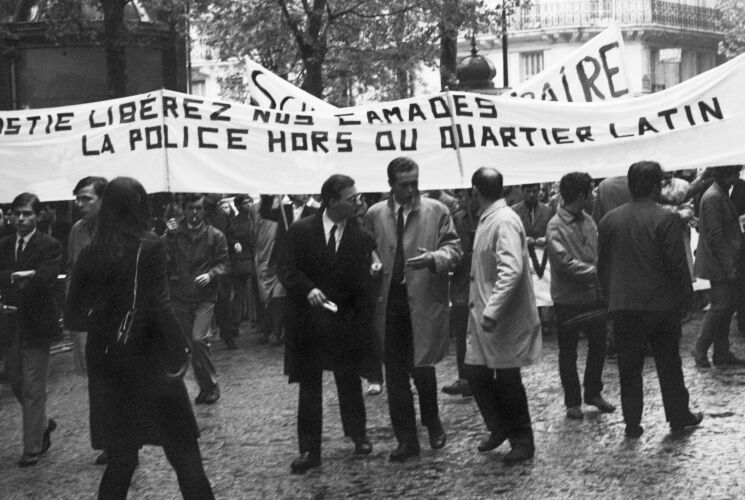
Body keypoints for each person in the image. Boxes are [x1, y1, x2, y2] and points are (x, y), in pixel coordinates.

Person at [65, 177, 214, 500]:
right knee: (183, 449)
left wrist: (107, 319)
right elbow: (160, 305)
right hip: (150, 360)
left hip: (108, 363)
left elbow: (73, 316)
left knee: (121, 456)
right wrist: (181, 350)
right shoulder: (150, 245)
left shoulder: (91, 251)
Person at [277, 175, 377, 474]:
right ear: (332, 201)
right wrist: (308, 289)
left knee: (348, 381)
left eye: (358, 197)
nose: (358, 202)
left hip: (344, 322)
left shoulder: (361, 236)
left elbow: (364, 279)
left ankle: (358, 435)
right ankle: (309, 449)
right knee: (309, 387)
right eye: (352, 198)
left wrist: (373, 271)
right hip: (308, 324)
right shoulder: (300, 230)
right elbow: (286, 268)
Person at [364, 157, 462, 462]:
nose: (411, 190)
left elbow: (455, 249)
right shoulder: (375, 214)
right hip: (389, 302)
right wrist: (371, 262)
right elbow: (366, 247)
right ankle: (406, 439)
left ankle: (432, 421)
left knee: (423, 367)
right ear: (391, 184)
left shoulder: (437, 210)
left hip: (422, 298)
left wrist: (435, 258)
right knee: (394, 374)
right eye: (404, 184)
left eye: (415, 183)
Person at [598, 161, 703, 438]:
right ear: (657, 186)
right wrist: (686, 298)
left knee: (629, 367)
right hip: (660, 305)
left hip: (623, 306)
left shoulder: (609, 220)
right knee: (669, 363)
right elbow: (676, 264)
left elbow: (603, 267)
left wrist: (609, 299)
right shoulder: (665, 218)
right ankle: (678, 415)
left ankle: (632, 422)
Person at [465, 168, 541, 465]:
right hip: (486, 317)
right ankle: (499, 427)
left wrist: (493, 309)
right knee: (475, 373)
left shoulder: (504, 220)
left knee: (508, 379)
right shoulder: (491, 218)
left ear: (474, 191)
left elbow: (511, 270)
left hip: (501, 318)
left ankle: (522, 440)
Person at [546, 172, 615, 420]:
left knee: (598, 345)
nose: (594, 196)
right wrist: (598, 274)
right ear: (581, 195)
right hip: (567, 299)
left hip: (594, 297)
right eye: (591, 192)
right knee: (568, 351)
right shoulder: (555, 225)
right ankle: (572, 401)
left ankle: (593, 392)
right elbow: (564, 263)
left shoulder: (588, 220)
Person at [0, 193, 62, 467]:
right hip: (12, 323)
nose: (20, 219)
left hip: (37, 323)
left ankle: (32, 448)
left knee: (34, 385)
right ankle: (43, 424)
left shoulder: (50, 244)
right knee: (15, 379)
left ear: (37, 216)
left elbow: (46, 278)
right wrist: (19, 276)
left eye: (26, 214)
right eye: (17, 213)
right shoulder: (3, 245)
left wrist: (30, 277)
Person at [162, 193, 228, 404]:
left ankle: (211, 385)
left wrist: (210, 275)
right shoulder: (173, 234)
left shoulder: (215, 235)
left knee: (200, 339)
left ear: (204, 210)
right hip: (180, 297)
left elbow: (224, 263)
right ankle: (204, 387)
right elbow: (163, 260)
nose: (194, 213)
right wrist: (169, 236)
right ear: (184, 209)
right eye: (190, 208)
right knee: (190, 345)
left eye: (198, 208)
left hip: (205, 298)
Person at [691, 165, 745, 367]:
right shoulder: (714, 196)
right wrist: (729, 265)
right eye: (734, 173)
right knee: (720, 307)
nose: (737, 176)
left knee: (726, 306)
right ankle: (700, 348)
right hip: (719, 262)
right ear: (725, 174)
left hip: (722, 260)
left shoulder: (718, 194)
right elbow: (716, 235)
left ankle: (721, 352)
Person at [66, 176, 108, 374]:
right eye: (77, 199)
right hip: (85, 313)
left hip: (114, 314)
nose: (79, 204)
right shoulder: (77, 229)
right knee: (92, 373)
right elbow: (72, 270)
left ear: (104, 199)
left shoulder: (120, 229)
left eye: (86, 199)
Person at [441, 189, 478, 398]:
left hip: (483, 288)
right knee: (462, 333)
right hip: (462, 288)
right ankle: (465, 379)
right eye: (460, 195)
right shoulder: (456, 219)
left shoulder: (488, 218)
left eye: (466, 195)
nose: (462, 200)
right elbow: (452, 248)